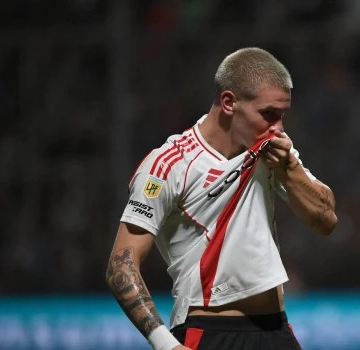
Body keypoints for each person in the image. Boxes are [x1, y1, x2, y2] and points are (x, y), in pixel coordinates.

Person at [105, 47, 337, 350]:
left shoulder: (273, 149)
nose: (278, 127)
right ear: (229, 103)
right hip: (209, 333)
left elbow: (326, 220)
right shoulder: (169, 165)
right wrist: (164, 344)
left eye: (282, 115)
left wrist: (289, 167)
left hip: (275, 329)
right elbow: (120, 266)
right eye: (269, 114)